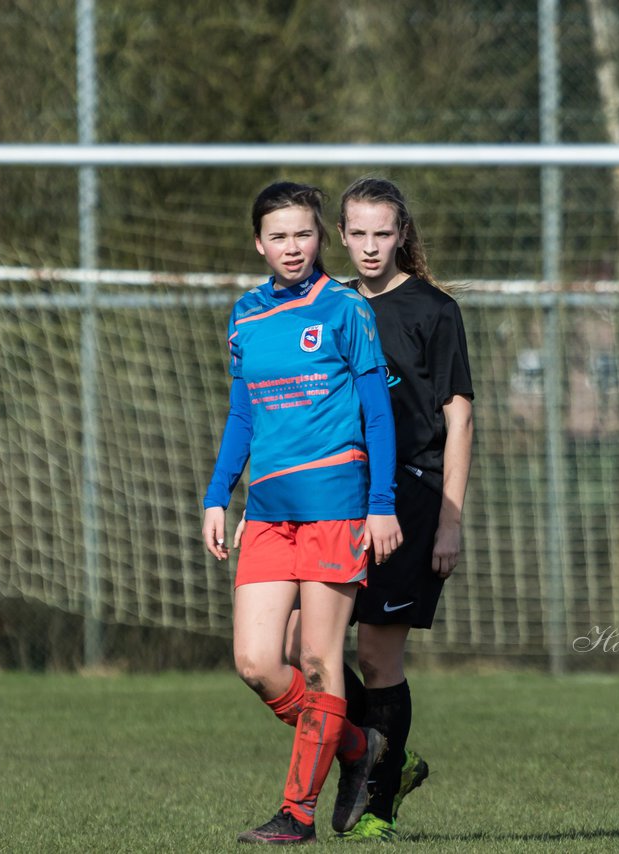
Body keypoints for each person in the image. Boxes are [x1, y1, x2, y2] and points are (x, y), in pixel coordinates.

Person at [202, 180, 404, 845]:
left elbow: (378, 413)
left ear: (322, 238)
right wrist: (216, 493)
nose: (293, 247)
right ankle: (358, 749)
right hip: (265, 512)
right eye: (279, 236)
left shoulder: (345, 309)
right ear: (259, 243)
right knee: (258, 663)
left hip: (336, 507)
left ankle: (297, 814)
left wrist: (381, 505)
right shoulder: (246, 317)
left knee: (320, 661)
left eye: (305, 234)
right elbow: (242, 415)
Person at [335, 176, 475, 841]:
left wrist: (450, 519)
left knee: (376, 658)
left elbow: (460, 418)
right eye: (358, 233)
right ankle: (384, 757)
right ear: (340, 236)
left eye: (382, 233)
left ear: (403, 234)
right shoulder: (330, 306)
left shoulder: (433, 310)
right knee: (296, 648)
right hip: (335, 494)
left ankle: (381, 803)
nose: (370, 246)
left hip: (411, 497)